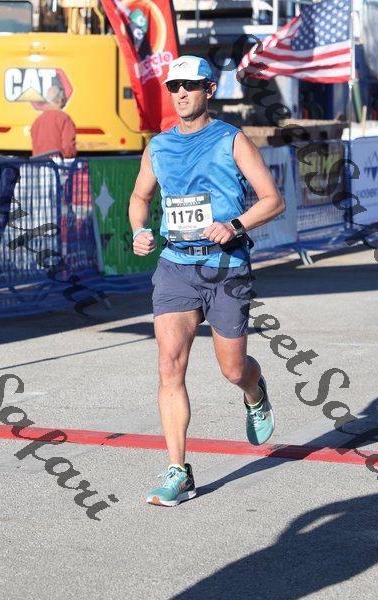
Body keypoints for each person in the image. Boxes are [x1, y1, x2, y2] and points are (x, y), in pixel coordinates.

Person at [128, 55, 285, 507]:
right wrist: (139, 230)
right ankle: (178, 470)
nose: (180, 93)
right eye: (174, 86)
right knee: (169, 365)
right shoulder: (159, 146)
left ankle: (254, 392)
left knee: (232, 370)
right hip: (176, 267)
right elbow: (139, 196)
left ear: (209, 90)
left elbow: (272, 200)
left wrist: (235, 225)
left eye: (190, 86)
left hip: (226, 267)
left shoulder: (231, 139)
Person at [30, 85, 77, 158]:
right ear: (60, 101)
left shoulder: (37, 121)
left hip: (39, 162)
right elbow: (68, 149)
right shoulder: (65, 119)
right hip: (57, 163)